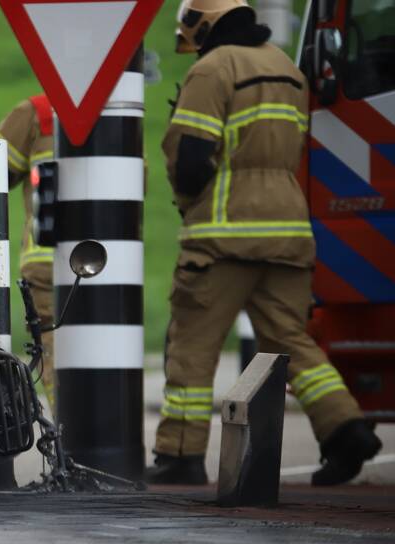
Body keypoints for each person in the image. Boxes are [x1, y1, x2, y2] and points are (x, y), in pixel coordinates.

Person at [148, 0, 381, 485]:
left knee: (193, 345)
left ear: (204, 23)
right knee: (291, 342)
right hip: (289, 232)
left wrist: (192, 203)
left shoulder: (213, 69)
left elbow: (191, 157)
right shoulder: (288, 70)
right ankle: (345, 430)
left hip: (223, 237)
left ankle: (181, 455)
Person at [0, 95, 57, 407]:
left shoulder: (40, 112)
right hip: (114, 264)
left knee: (58, 359)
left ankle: (72, 444)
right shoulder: (123, 111)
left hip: (51, 261)